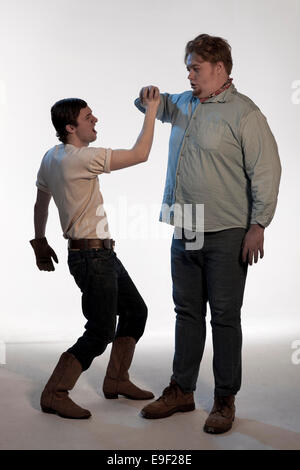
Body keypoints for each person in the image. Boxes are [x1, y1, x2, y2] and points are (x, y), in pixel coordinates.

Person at [134, 34, 282, 434]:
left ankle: (224, 399)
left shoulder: (245, 114)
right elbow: (148, 103)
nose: (189, 73)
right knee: (186, 313)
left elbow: (267, 172)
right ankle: (181, 389)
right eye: (188, 66)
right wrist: (146, 95)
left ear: (220, 69)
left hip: (227, 231)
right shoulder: (182, 102)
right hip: (185, 230)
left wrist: (259, 224)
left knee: (224, 318)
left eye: (195, 67)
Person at [30, 87, 160, 419]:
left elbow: (40, 202)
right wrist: (152, 110)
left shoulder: (51, 156)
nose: (95, 119)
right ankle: (55, 392)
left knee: (135, 311)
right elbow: (140, 153)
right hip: (92, 258)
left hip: (100, 255)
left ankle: (116, 379)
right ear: (70, 127)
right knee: (101, 329)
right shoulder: (82, 158)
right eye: (88, 117)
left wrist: (40, 240)